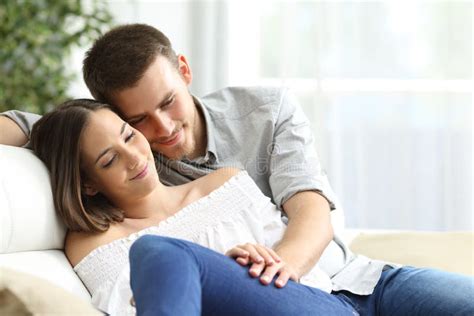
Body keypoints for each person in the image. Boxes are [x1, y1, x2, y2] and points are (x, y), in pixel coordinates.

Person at [1, 24, 473, 315]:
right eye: (137, 120)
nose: (160, 130)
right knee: (158, 252)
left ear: (184, 71)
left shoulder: (265, 111)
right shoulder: (121, 146)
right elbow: (61, 132)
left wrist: (279, 266)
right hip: (291, 303)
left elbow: (310, 206)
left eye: (168, 103)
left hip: (360, 279)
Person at [30, 100, 474, 315]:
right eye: (109, 160)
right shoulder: (93, 241)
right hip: (307, 309)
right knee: (157, 253)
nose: (134, 156)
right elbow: (136, 304)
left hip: (359, 285)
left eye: (129, 134)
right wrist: (228, 274)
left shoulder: (222, 180)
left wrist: (270, 260)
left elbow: (298, 245)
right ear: (87, 183)